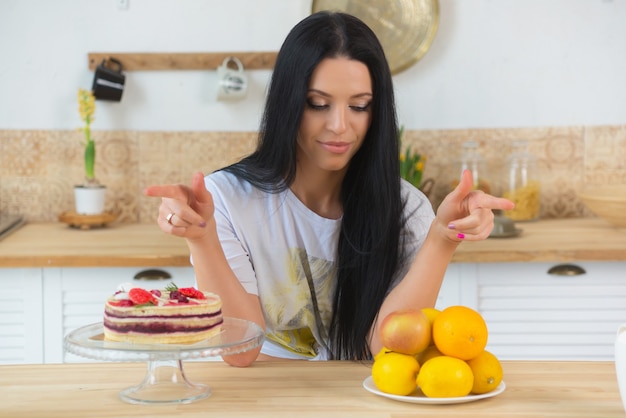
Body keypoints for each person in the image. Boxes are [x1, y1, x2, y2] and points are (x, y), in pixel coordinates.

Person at [144, 11, 514, 367]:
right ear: (288, 102)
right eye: (318, 104)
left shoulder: (407, 209)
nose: (339, 125)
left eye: (359, 106)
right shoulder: (227, 199)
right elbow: (239, 352)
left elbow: (384, 347)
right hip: (264, 401)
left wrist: (442, 240)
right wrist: (201, 238)